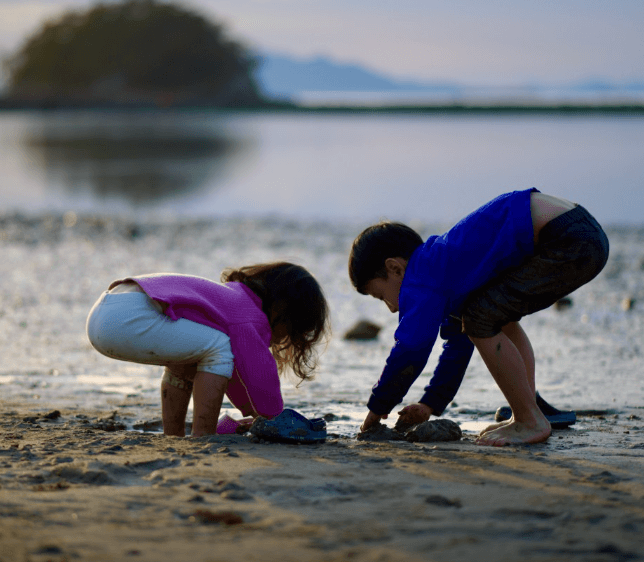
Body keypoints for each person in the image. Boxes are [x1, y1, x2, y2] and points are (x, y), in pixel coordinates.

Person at [348, 188, 609, 446]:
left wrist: (378, 407)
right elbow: (458, 346)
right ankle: (531, 408)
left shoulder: (422, 278)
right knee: (493, 316)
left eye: (381, 297)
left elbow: (411, 348)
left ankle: (530, 418)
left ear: (395, 268)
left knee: (482, 317)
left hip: (566, 238)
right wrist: (431, 404)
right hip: (578, 228)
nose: (392, 309)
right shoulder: (447, 274)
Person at [86, 262, 329, 437]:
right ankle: (203, 434)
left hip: (106, 308)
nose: (285, 338)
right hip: (129, 315)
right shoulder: (248, 316)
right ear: (283, 310)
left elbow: (236, 374)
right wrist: (270, 414)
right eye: (292, 331)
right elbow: (256, 370)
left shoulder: (231, 300)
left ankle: (173, 435)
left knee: (189, 360)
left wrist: (252, 414)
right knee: (219, 347)